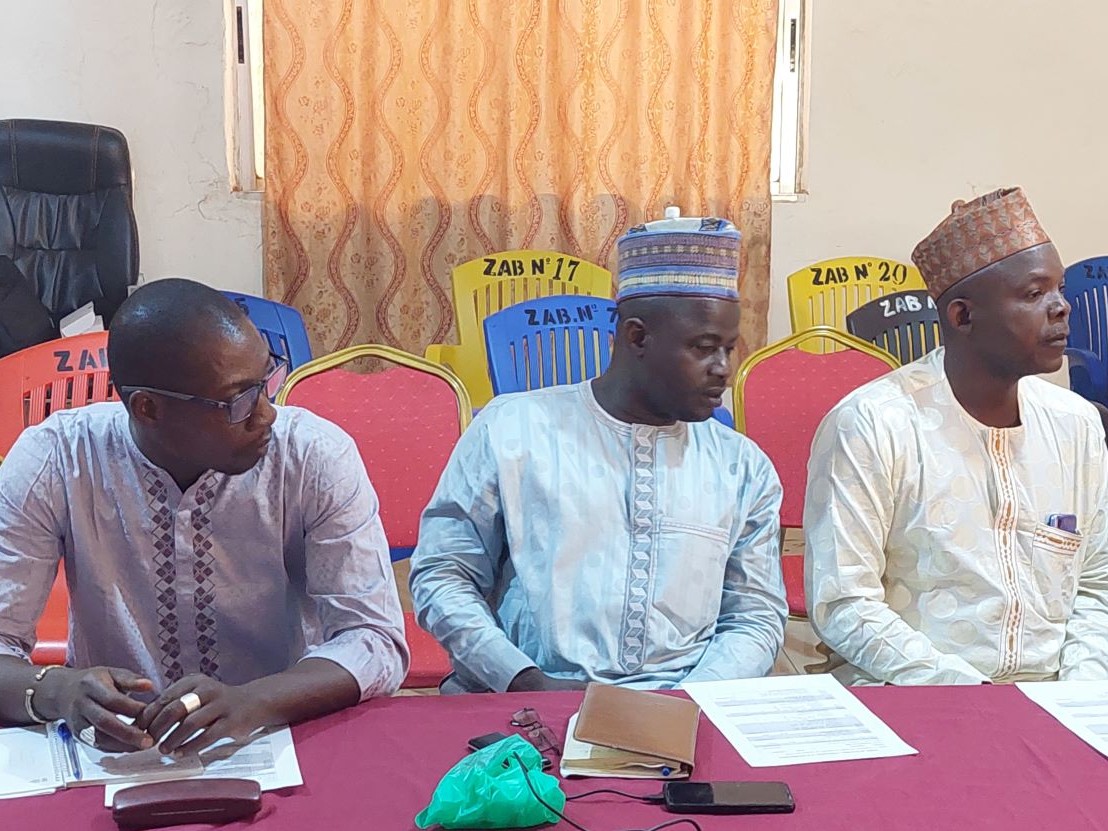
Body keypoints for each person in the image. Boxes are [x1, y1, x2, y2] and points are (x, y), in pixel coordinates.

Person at [0, 279, 408, 753]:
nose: (267, 415)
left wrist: (254, 702)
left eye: (266, 382)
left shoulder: (312, 455)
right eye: (238, 400)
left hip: (282, 735)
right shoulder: (58, 459)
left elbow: (373, 637)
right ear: (148, 409)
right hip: (117, 755)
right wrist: (58, 690)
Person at [410, 216, 786, 694]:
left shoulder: (742, 466)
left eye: (730, 350)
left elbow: (754, 613)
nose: (724, 370)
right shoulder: (514, 430)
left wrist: (691, 700)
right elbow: (444, 574)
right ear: (636, 337)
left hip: (689, 706)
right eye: (704, 348)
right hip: (521, 702)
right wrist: (523, 679)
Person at [804, 187, 1108, 684]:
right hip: (913, 695)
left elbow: (1097, 585)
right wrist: (971, 696)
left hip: (1058, 699)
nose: (1062, 308)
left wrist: (1078, 697)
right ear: (962, 316)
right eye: (1035, 294)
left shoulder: (1075, 424)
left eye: (1059, 289)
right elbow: (845, 603)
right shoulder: (874, 423)